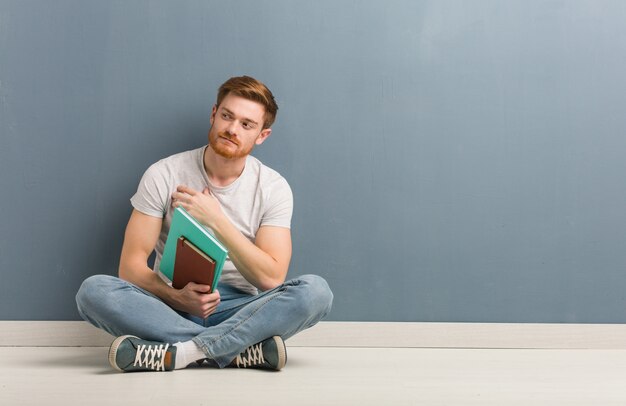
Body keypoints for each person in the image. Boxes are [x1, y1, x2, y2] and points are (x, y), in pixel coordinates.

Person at [76, 76, 333, 372]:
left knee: (315, 292)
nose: (232, 129)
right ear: (214, 115)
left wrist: (216, 220)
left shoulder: (273, 187)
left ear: (262, 135)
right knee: (92, 292)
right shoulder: (163, 173)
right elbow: (130, 267)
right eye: (227, 116)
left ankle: (182, 353)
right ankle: (237, 352)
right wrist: (177, 297)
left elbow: (271, 278)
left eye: (246, 124)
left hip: (241, 309)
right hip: (169, 304)